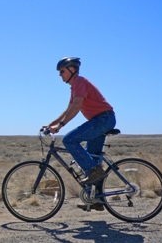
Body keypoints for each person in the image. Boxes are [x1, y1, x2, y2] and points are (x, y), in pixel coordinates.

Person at [45, 57, 116, 211]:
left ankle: (95, 173)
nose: (60, 75)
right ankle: (97, 199)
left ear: (72, 70)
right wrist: (52, 124)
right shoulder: (75, 87)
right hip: (101, 120)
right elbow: (68, 109)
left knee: (69, 139)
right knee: (90, 159)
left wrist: (61, 125)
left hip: (103, 119)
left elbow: (76, 106)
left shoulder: (79, 82)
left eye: (62, 71)